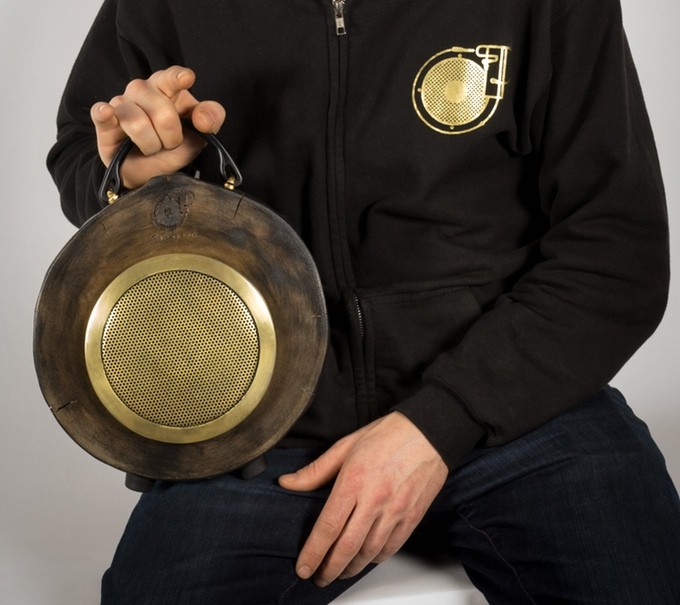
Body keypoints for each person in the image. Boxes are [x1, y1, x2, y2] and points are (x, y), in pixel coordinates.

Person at [47, 0, 680, 602]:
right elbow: (81, 154)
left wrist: (440, 424)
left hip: (517, 401)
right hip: (262, 429)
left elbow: (616, 248)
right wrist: (134, 174)